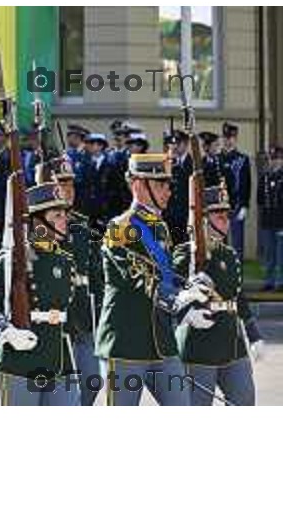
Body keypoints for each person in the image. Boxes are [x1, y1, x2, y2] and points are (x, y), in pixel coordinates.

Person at [95, 153, 217, 406]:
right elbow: (139, 277)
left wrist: (187, 303)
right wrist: (179, 298)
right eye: (161, 184)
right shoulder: (119, 228)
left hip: (162, 342)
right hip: (126, 343)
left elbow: (166, 277)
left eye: (168, 185)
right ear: (139, 185)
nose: (169, 192)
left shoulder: (160, 227)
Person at [0, 181, 85, 406]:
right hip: (17, 359)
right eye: (57, 215)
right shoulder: (12, 260)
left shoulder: (66, 260)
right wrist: (6, 332)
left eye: (64, 214)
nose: (65, 220)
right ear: (37, 222)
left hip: (58, 358)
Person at [174, 184, 262, 405]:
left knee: (245, 401)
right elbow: (173, 292)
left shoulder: (230, 254)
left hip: (233, 345)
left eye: (227, 216)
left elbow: (238, 297)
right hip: (200, 348)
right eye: (219, 216)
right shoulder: (187, 254)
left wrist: (253, 334)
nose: (226, 221)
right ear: (203, 219)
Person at [40, 157, 103, 405]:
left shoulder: (82, 226)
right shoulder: (36, 225)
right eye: (61, 184)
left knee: (92, 381)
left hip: (83, 316)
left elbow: (94, 273)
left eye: (71, 185)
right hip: (55, 318)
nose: (68, 191)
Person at [221, 122, 251, 260]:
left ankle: (236, 276)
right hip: (220, 207)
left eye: (231, 137)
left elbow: (246, 184)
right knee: (221, 243)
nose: (228, 140)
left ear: (235, 138)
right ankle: (222, 274)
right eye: (226, 137)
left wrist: (245, 205)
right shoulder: (217, 158)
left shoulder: (242, 159)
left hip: (237, 206)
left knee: (237, 243)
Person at [257, 146, 283, 291]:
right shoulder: (265, 177)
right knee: (269, 254)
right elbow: (260, 199)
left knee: (280, 254)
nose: (274, 162)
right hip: (267, 220)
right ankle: (269, 281)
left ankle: (280, 282)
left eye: (277, 159)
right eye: (272, 159)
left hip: (280, 221)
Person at [163, 129, 192, 246]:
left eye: (178, 144)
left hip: (185, 214)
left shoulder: (193, 164)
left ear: (185, 144)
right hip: (170, 214)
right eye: (173, 143)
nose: (174, 147)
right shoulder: (169, 163)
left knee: (184, 247)